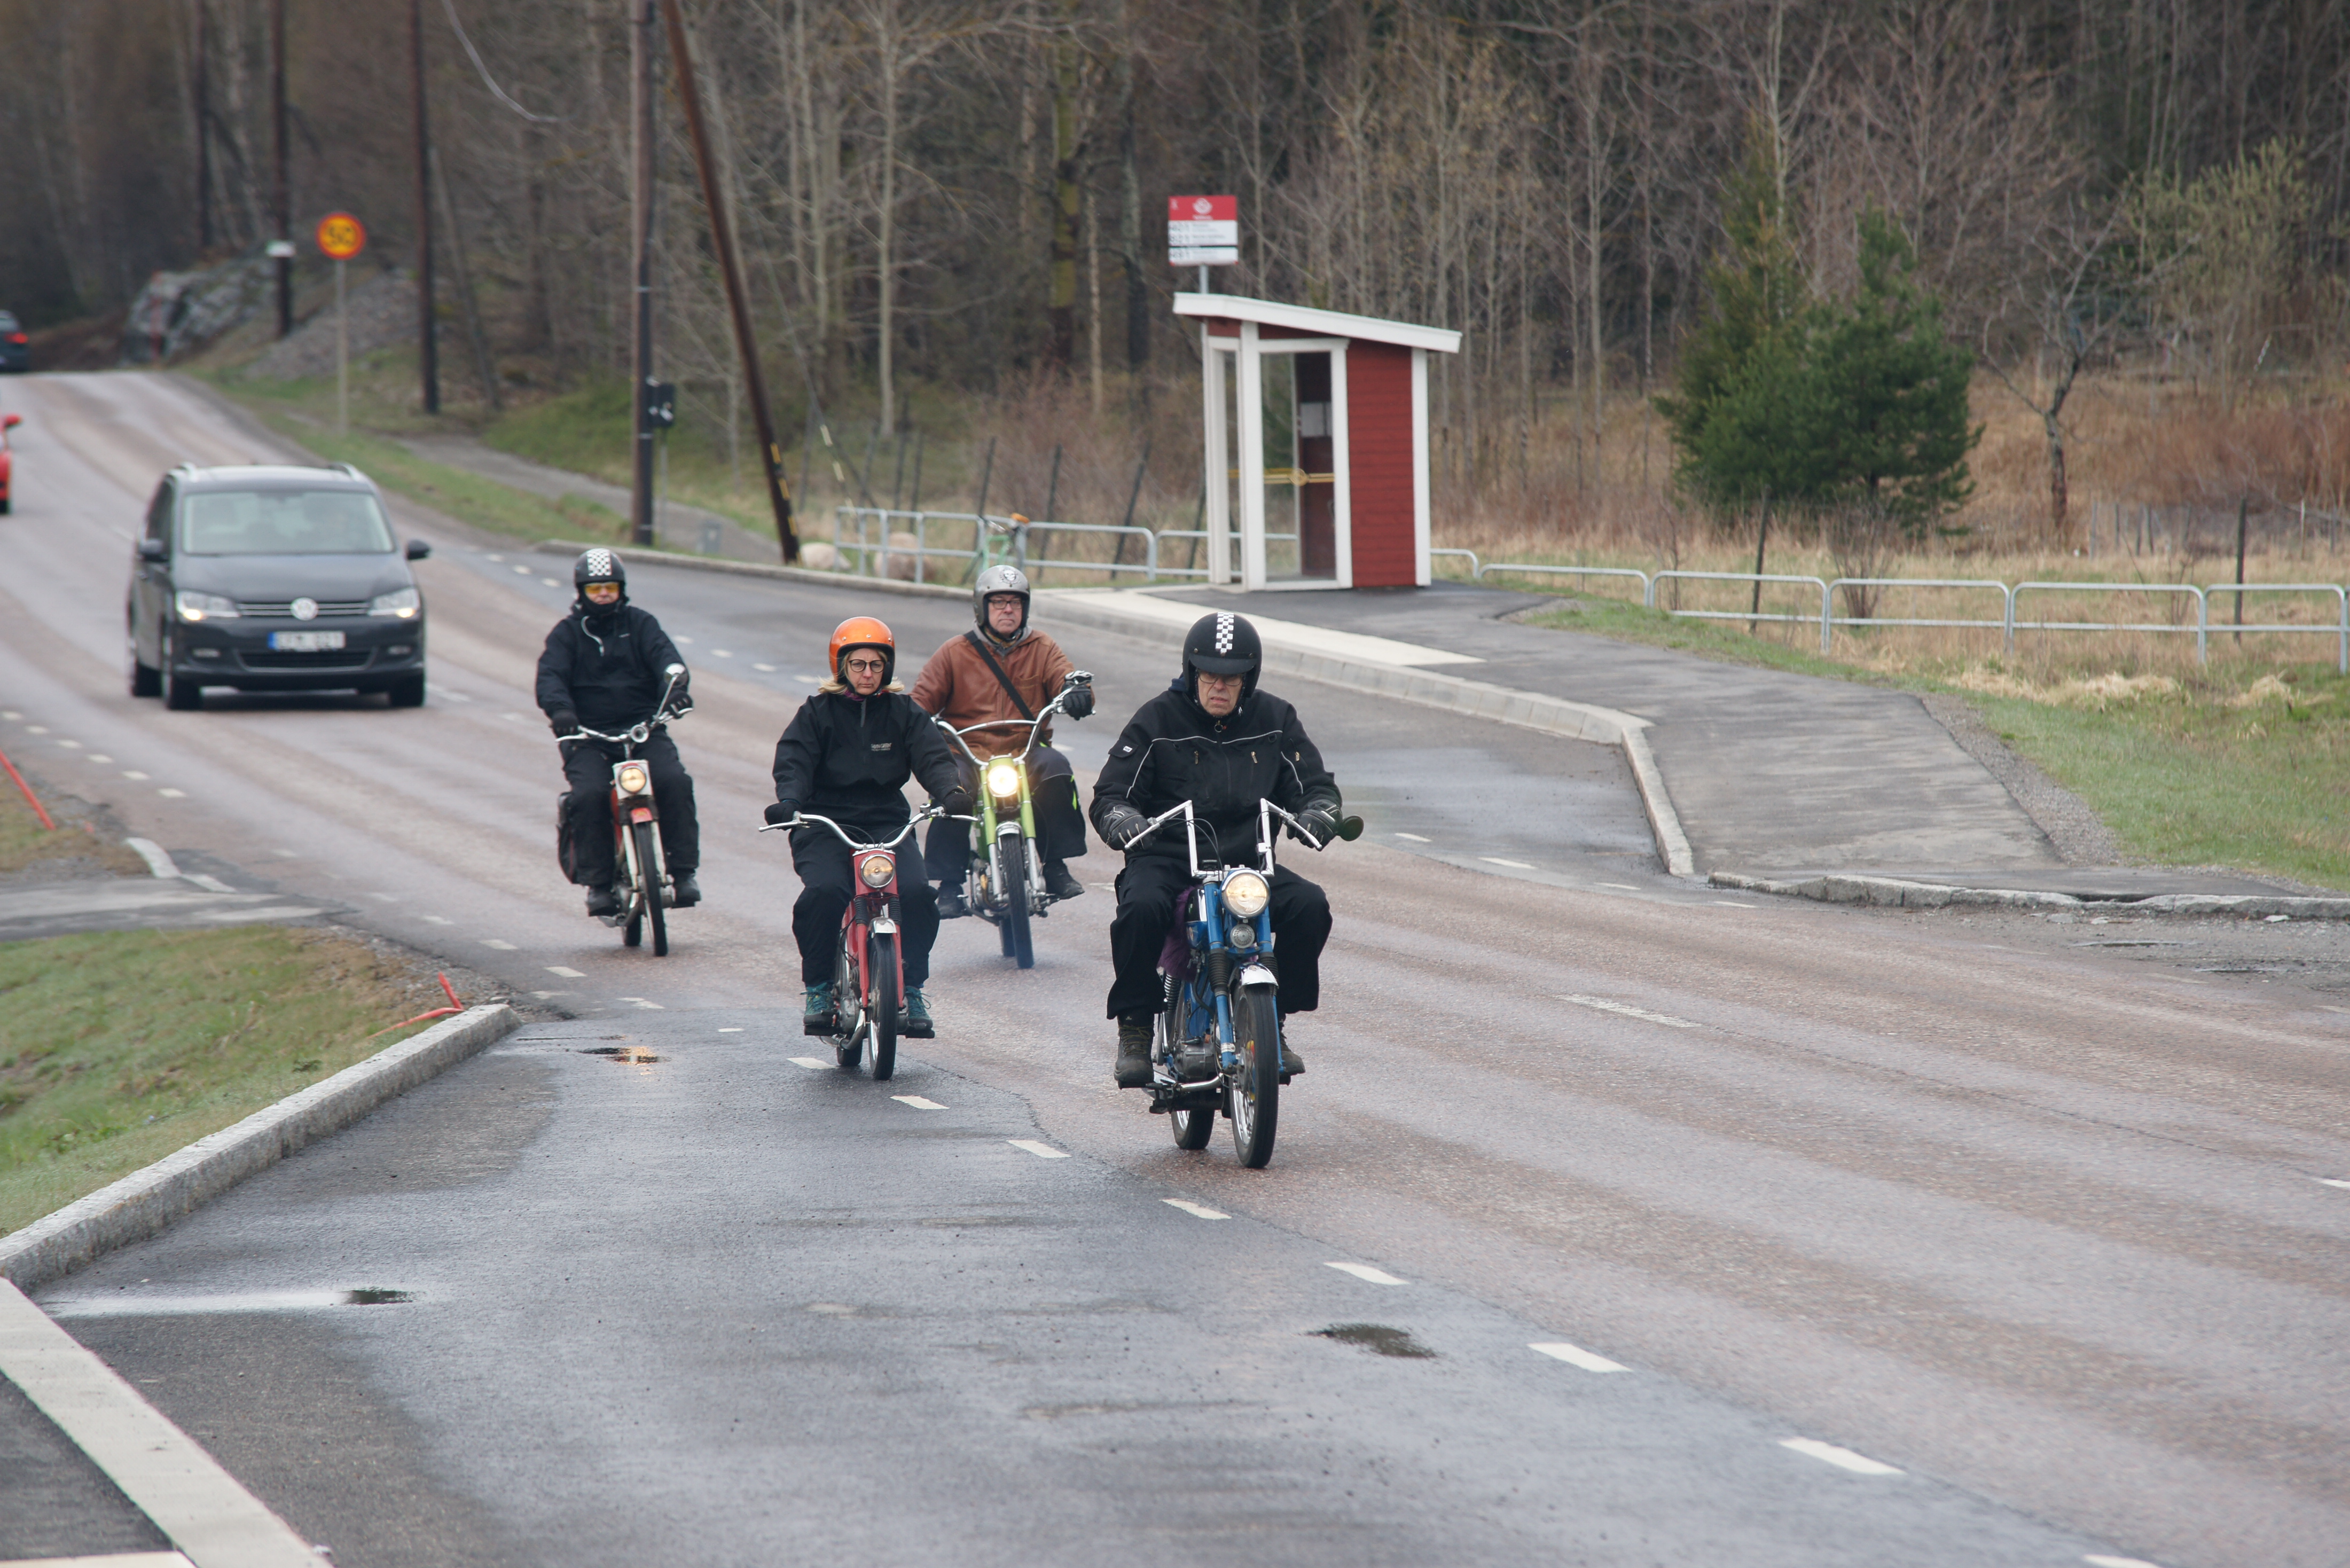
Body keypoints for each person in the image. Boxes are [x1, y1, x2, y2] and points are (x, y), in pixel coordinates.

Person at [1090, 611, 1343, 1088]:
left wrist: (1319, 812)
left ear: (1250, 679)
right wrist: (1123, 819)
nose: (1219, 687)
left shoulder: (1276, 720)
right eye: (1209, 676)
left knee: (1310, 905)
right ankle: (1136, 1027)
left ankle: (1272, 1019)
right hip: (1169, 858)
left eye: (1232, 678)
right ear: (1192, 673)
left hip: (1247, 865)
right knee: (1140, 909)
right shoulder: (1157, 719)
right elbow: (1111, 794)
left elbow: (1316, 785)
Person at [767, 616, 969, 1038]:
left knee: (917, 894)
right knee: (824, 891)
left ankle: (911, 988)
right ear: (841, 666)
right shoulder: (816, 712)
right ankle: (818, 988)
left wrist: (950, 792)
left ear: (887, 668)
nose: (867, 674)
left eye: (876, 665)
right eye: (858, 664)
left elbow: (933, 757)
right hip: (823, 821)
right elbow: (795, 761)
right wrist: (790, 802)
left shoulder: (904, 712)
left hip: (886, 819)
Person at [910, 564, 1094, 915]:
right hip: (968, 751)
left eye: (1015, 602)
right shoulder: (954, 652)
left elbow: (1065, 676)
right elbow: (922, 699)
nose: (1008, 609)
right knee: (951, 788)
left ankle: (1055, 865)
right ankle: (949, 884)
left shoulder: (1042, 647)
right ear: (982, 607)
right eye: (998, 602)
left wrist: (1078, 693)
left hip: (1026, 749)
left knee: (1057, 769)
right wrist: (915, 717)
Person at [536, 547, 700, 916]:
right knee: (589, 794)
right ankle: (598, 885)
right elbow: (550, 677)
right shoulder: (566, 635)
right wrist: (561, 711)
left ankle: (684, 873)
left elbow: (667, 659)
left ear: (621, 589)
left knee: (674, 781)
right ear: (581, 592)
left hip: (644, 729)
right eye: (595, 589)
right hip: (587, 737)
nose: (603, 595)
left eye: (610, 587)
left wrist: (676, 689)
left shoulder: (642, 624)